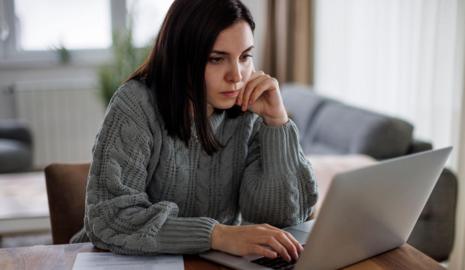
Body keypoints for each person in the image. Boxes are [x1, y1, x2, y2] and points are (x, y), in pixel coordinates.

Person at [71, 0, 318, 263]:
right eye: (216, 59)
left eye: (245, 56)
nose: (236, 76)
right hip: (114, 260)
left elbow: (281, 218)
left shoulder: (249, 112)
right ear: (181, 57)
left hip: (209, 262)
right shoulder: (136, 104)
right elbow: (109, 219)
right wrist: (217, 235)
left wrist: (276, 122)